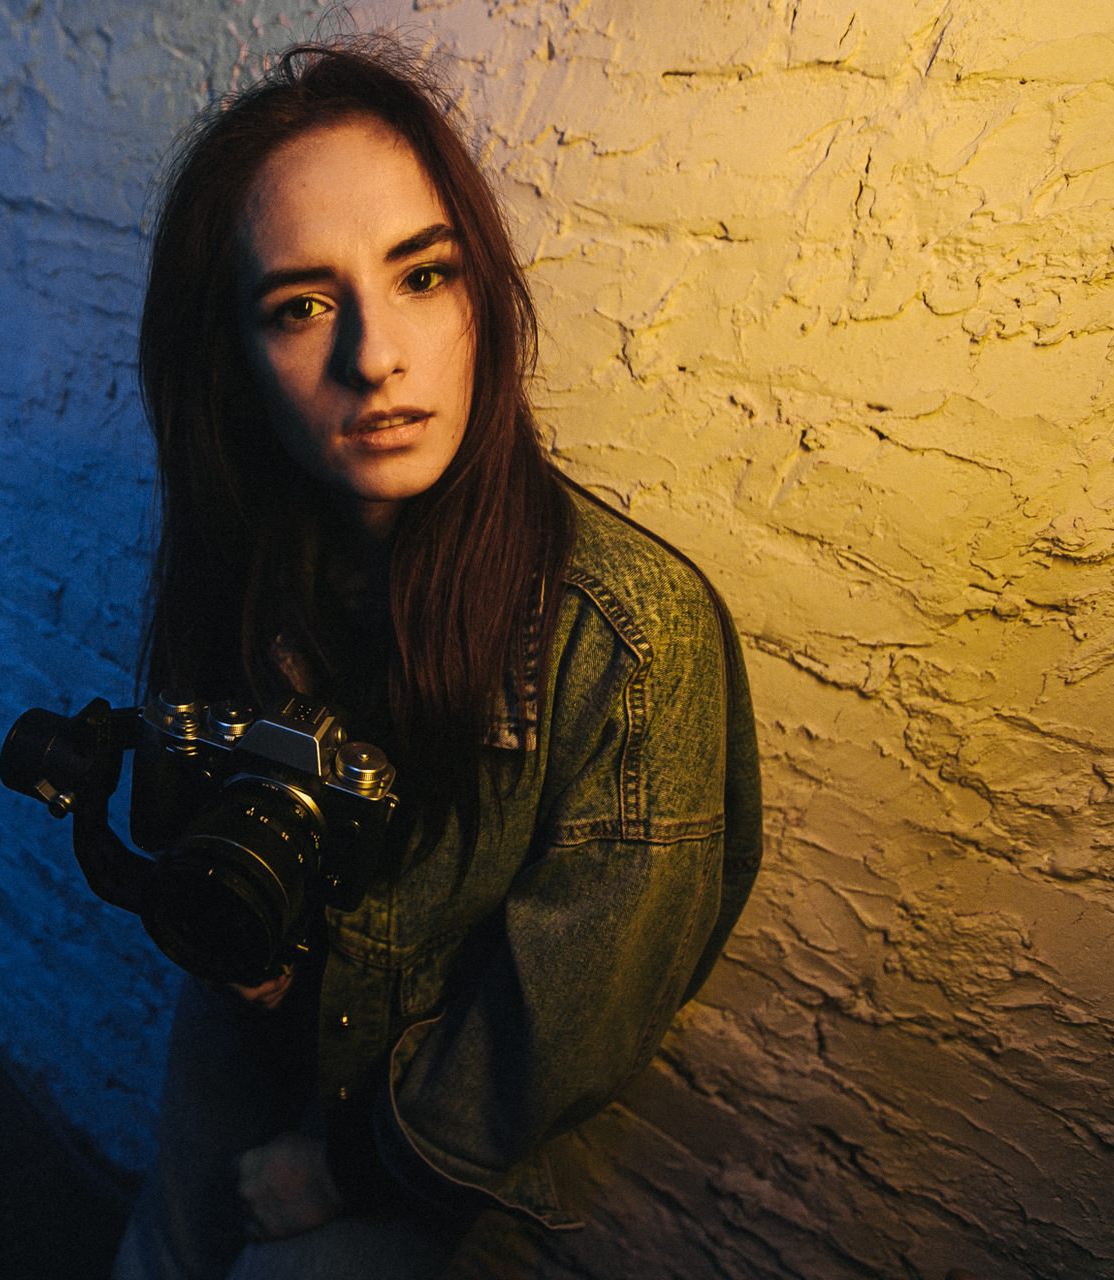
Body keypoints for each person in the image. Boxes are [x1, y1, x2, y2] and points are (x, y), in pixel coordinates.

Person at [110, 39, 762, 1280]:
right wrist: (238, 933)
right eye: (301, 305)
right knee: (167, 1242)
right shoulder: (244, 544)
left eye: (423, 274)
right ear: (236, 356)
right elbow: (186, 792)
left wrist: (351, 1166)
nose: (375, 356)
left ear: (484, 296)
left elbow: (562, 1022)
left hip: (415, 1125)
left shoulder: (629, 640)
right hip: (241, 1032)